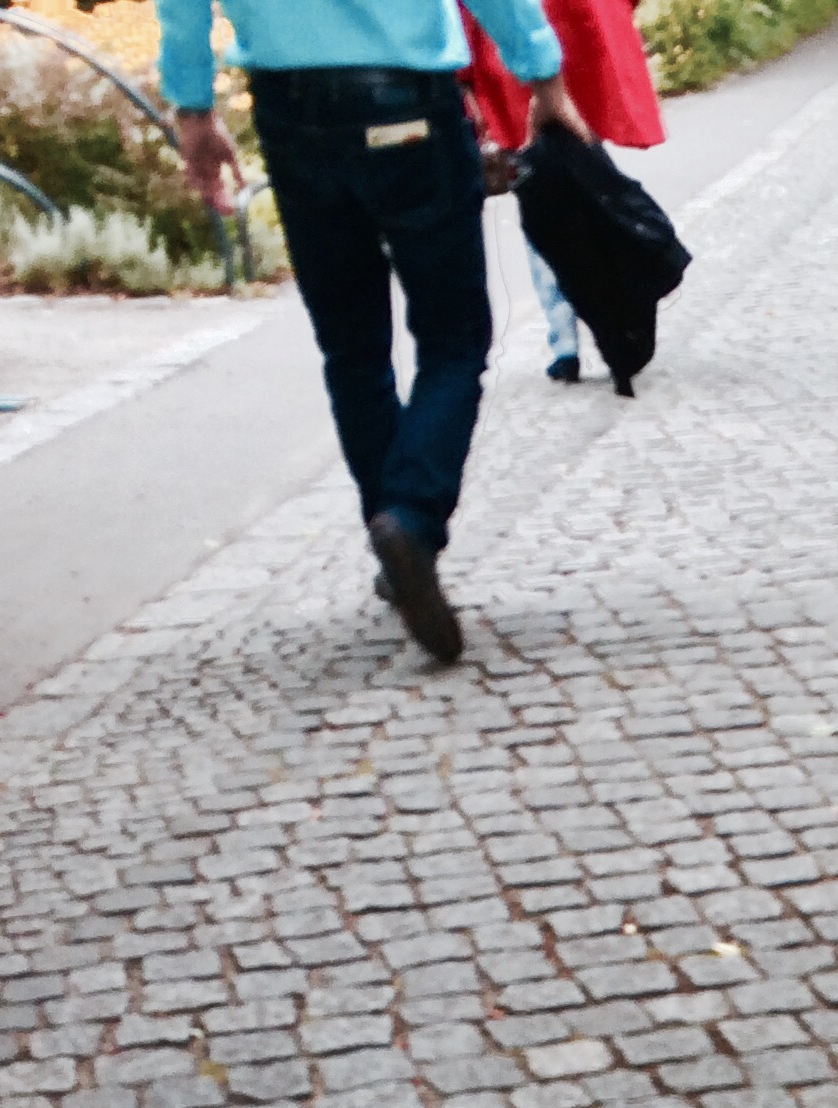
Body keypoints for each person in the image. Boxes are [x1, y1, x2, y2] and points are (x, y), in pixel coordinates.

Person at [165, 0, 590, 664]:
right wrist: (543, 76)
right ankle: (410, 520)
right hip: (409, 102)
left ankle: (395, 537)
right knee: (454, 336)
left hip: (291, 108)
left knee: (352, 349)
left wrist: (193, 108)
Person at [457, 0, 661, 384]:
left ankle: (568, 339)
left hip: (514, 54)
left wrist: (465, 77)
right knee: (587, 187)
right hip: (576, 38)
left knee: (540, 197)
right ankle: (617, 323)